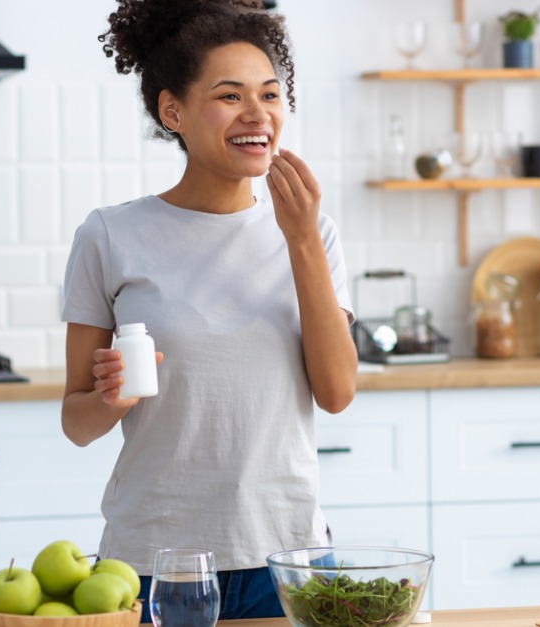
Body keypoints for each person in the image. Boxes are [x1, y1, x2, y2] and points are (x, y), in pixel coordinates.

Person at [60, 0, 358, 621]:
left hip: (290, 556)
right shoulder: (111, 236)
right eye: (230, 96)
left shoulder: (314, 232)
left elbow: (336, 391)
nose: (259, 115)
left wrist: (299, 239)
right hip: (154, 561)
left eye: (271, 95)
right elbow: (77, 422)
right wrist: (109, 399)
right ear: (174, 111)